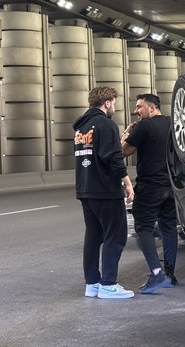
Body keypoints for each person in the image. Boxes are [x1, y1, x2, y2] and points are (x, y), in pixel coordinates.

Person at [74, 86, 135, 299]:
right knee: (115, 236)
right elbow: (113, 157)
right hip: (105, 189)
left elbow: (100, 151)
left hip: (85, 188)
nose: (115, 107)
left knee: (93, 235)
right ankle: (108, 284)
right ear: (107, 102)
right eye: (114, 103)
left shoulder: (81, 128)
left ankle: (92, 283)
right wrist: (127, 182)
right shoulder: (106, 124)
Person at [121, 93, 179, 293]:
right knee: (169, 228)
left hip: (149, 187)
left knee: (144, 229)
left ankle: (157, 274)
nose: (136, 111)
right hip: (171, 186)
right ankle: (170, 274)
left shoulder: (144, 126)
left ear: (152, 108)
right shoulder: (173, 123)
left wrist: (126, 134)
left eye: (139, 107)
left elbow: (123, 151)